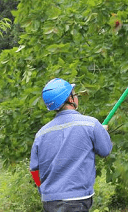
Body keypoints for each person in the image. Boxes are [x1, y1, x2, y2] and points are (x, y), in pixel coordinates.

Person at [30, 78, 113, 212]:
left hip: (49, 200)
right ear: (70, 99)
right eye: (75, 94)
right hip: (77, 200)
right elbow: (105, 150)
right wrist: (102, 132)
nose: (76, 97)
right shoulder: (91, 124)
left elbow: (34, 170)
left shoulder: (41, 134)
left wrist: (44, 190)